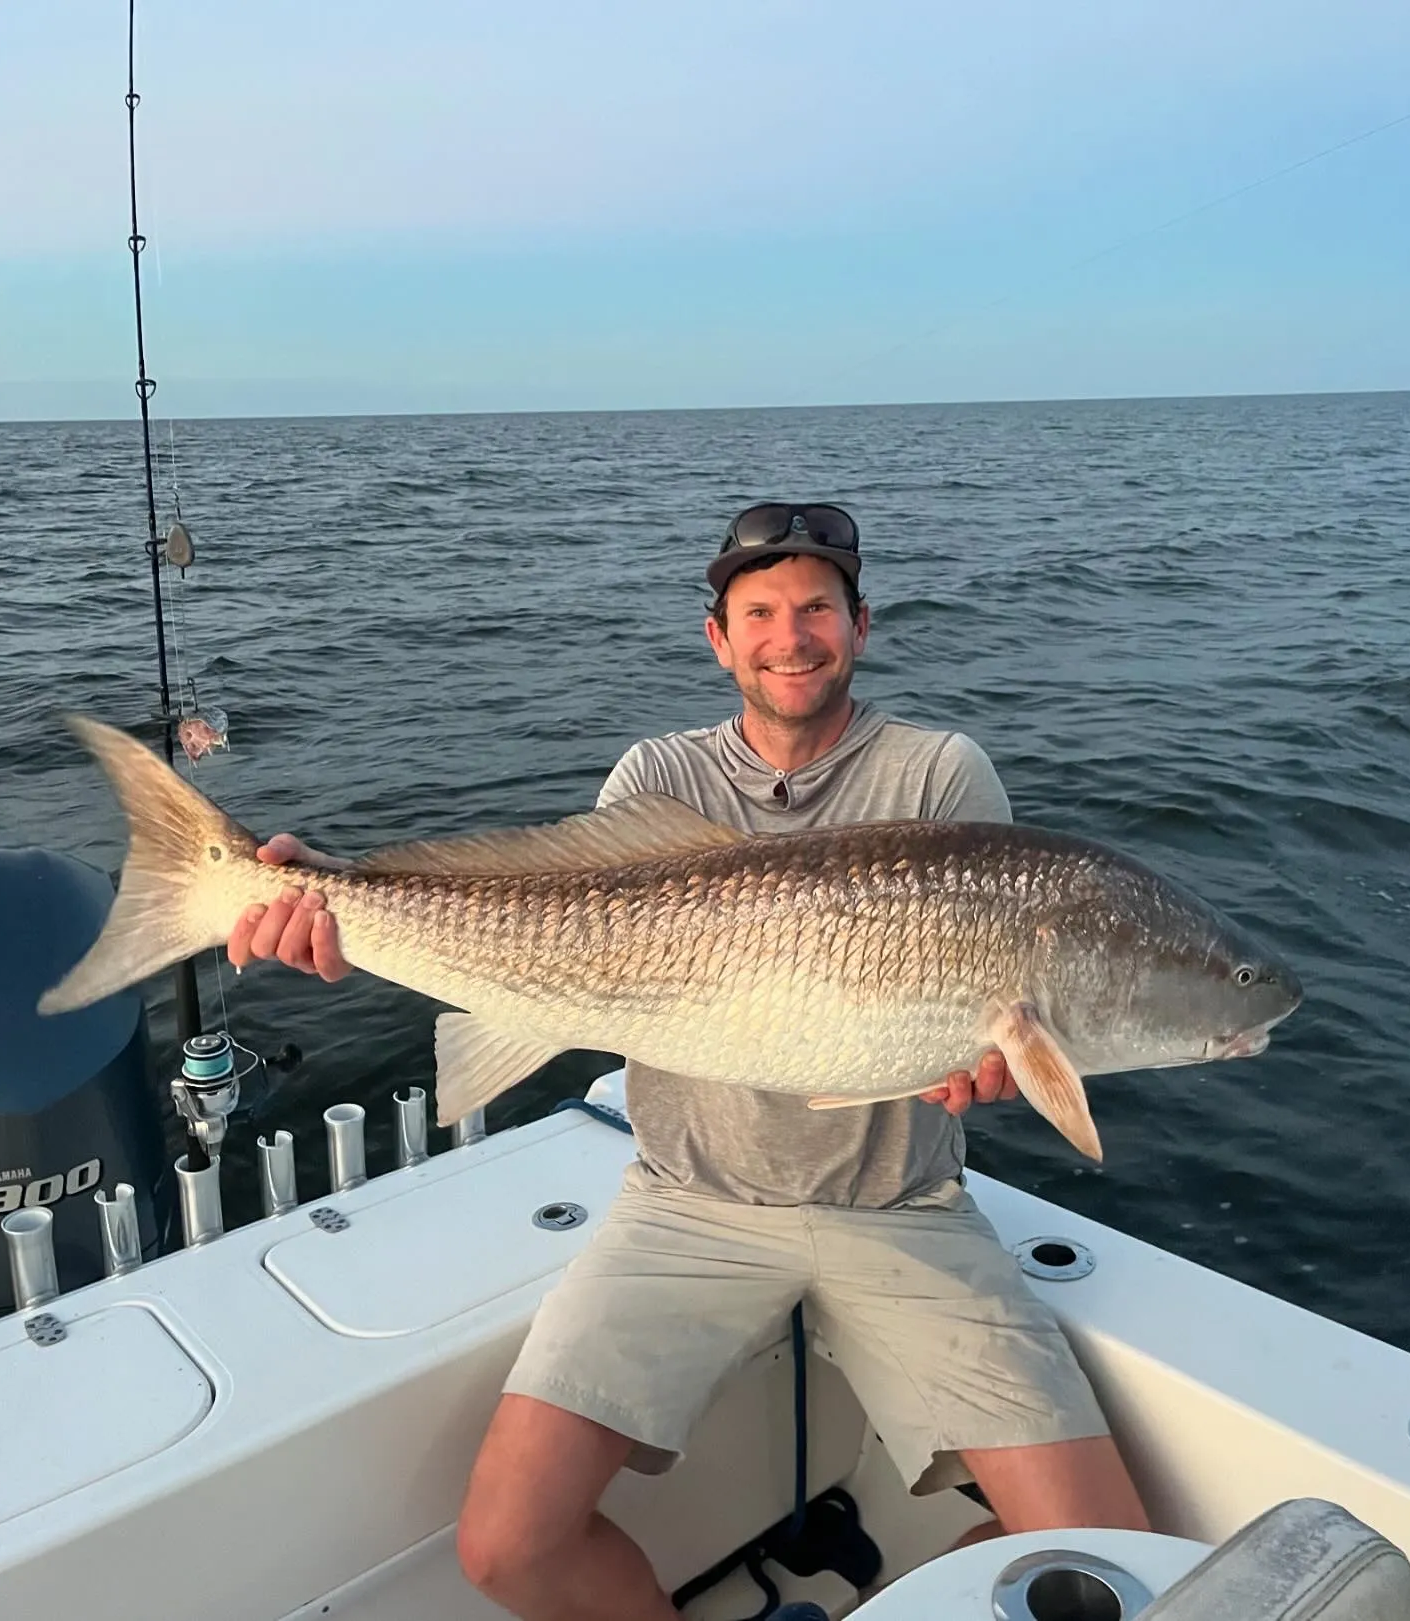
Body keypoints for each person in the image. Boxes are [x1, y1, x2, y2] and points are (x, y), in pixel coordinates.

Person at [229, 501, 1149, 1621]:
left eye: (817, 607)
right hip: (688, 1204)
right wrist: (338, 891)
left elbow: (991, 1012)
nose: (791, 633)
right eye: (759, 611)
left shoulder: (940, 776)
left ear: (861, 623)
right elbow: (533, 918)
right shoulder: (657, 777)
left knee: (1107, 1556)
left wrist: (986, 1056)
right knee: (507, 1544)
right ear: (718, 638)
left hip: (900, 1200)